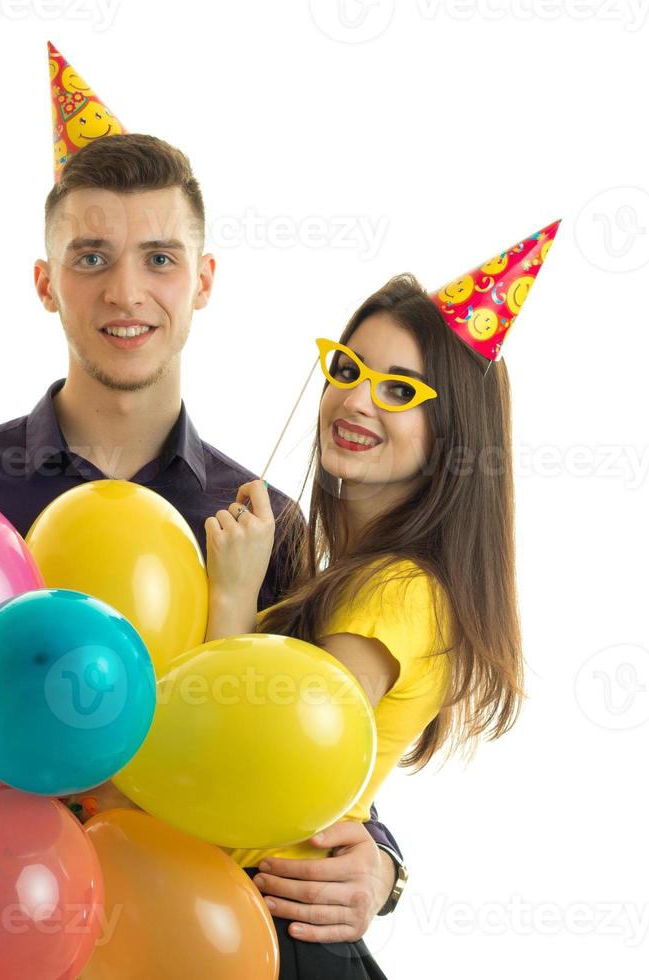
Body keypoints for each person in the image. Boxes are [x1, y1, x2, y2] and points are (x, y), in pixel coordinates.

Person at [0, 132, 407, 936]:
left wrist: (379, 864)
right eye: (90, 259)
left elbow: (303, 748)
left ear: (204, 280)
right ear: (45, 283)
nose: (126, 292)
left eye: (159, 258)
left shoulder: (264, 521)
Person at [186, 271, 531, 977]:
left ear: (450, 435)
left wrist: (232, 599)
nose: (357, 398)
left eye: (399, 390)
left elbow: (266, 773)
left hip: (277, 936)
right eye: (348, 369)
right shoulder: (342, 577)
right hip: (246, 927)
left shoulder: (394, 591)